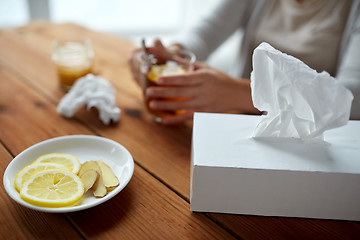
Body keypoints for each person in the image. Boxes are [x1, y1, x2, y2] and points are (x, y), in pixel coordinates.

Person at [129, 0, 360, 125]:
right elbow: (205, 33)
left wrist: (241, 93)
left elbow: (352, 98)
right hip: (239, 123)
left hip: (307, 135)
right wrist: (169, 53)